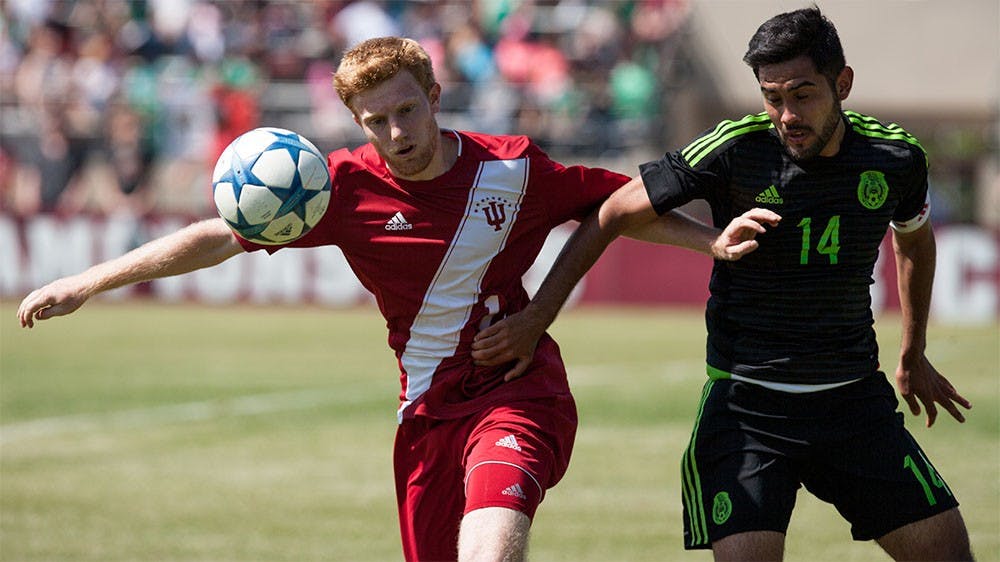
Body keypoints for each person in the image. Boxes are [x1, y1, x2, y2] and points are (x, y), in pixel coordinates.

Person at [16, 36, 765, 562]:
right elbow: (218, 235)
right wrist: (88, 282)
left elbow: (617, 206)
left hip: (516, 392)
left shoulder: (512, 169)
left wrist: (709, 243)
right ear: (356, 123)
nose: (397, 132)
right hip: (425, 416)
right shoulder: (337, 189)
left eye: (407, 110)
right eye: (376, 121)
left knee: (492, 541)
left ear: (434, 95)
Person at [471, 7, 975, 561]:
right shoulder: (736, 147)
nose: (786, 114)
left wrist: (914, 351)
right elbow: (614, 212)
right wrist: (537, 318)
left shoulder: (896, 157)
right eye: (772, 96)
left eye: (803, 95)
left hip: (855, 405)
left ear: (843, 84)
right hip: (747, 414)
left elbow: (914, 237)